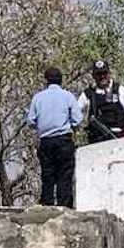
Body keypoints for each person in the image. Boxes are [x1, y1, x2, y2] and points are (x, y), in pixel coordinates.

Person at [26, 67, 83, 208]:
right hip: (64, 140)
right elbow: (77, 120)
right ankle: (64, 207)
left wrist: (42, 125)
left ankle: (47, 204)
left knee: (48, 175)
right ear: (61, 80)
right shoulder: (68, 96)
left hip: (46, 141)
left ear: (46, 81)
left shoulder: (38, 98)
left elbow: (31, 121)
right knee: (65, 175)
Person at [79, 60, 124, 143]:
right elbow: (75, 113)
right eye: (99, 74)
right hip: (97, 142)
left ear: (109, 73)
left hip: (120, 139)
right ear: (93, 76)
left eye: (104, 73)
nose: (102, 76)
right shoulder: (87, 94)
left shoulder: (120, 90)